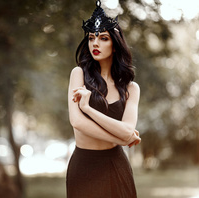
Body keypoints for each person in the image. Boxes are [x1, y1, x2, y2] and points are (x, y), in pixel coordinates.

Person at [66, 1, 141, 197]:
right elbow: (76, 121)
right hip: (84, 167)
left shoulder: (130, 88)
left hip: (116, 165)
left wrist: (89, 109)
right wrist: (121, 138)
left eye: (103, 38)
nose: (95, 44)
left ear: (115, 45)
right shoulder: (78, 74)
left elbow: (127, 130)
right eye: (91, 38)